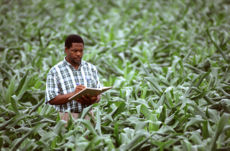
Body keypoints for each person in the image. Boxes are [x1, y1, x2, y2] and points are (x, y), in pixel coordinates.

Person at [45, 34, 101, 121]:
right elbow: (51, 99)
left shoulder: (91, 68)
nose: (78, 54)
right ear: (66, 50)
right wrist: (74, 94)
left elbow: (98, 94)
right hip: (66, 117)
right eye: (74, 51)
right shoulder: (55, 71)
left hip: (88, 115)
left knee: (90, 135)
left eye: (81, 51)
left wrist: (93, 99)